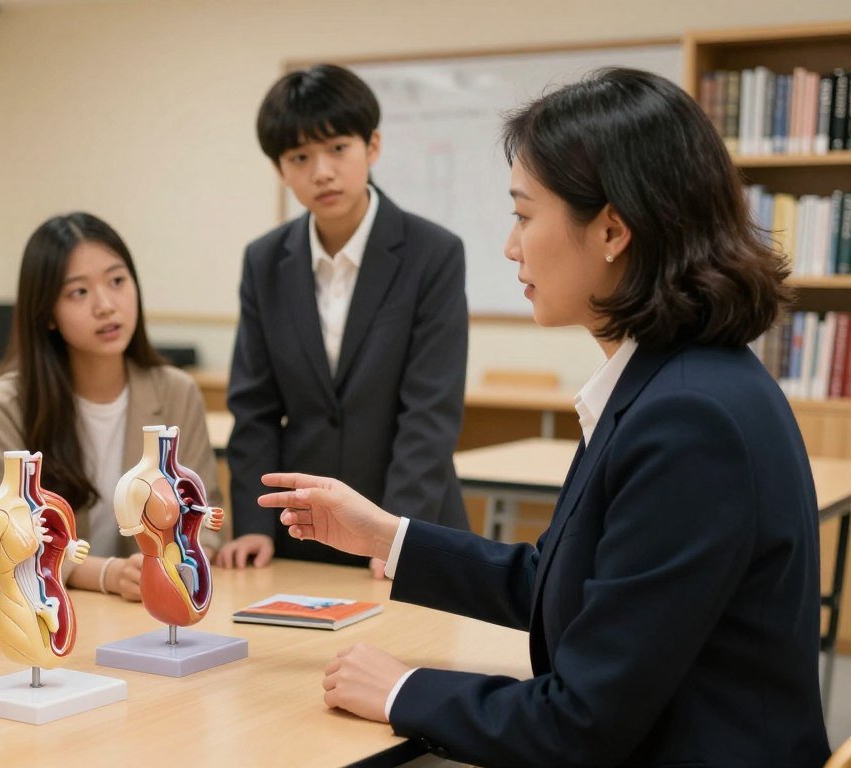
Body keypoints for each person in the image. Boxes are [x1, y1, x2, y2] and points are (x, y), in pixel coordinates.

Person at [262, 68, 830, 766]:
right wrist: (387, 536)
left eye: (525, 216)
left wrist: (404, 688)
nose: (510, 246)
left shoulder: (688, 421)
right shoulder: (677, 381)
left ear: (613, 230)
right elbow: (572, 584)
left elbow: (581, 724)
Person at [218, 63, 469, 576]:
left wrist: (394, 534)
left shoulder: (433, 253)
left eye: (337, 149)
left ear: (372, 147)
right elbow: (254, 408)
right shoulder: (264, 260)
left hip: (404, 529)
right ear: (281, 170)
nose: (322, 172)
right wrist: (252, 524)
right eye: (300, 157)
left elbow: (429, 410)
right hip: (298, 534)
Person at [0, 212, 220, 602]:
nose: (106, 305)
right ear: (46, 313)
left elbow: (205, 516)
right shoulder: (6, 405)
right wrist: (107, 574)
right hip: (57, 607)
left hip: (160, 602)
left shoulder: (177, 391)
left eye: (117, 281)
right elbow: (7, 536)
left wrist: (181, 559)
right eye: (79, 292)